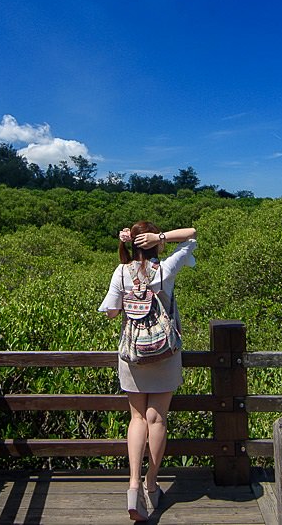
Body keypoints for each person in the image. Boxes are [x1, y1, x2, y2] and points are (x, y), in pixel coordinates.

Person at [99, 222, 198, 521]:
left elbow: (112, 312)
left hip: (132, 355)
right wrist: (163, 237)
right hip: (164, 355)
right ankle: (151, 484)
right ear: (155, 244)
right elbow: (192, 235)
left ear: (132, 246)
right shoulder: (166, 269)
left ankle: (132, 487)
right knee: (157, 419)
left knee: (138, 418)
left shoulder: (120, 272)